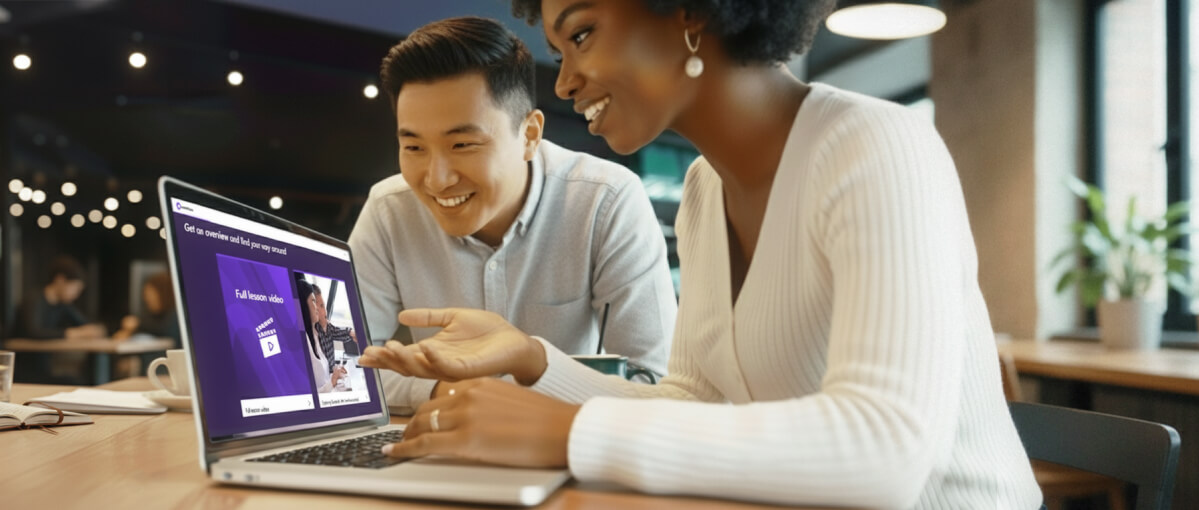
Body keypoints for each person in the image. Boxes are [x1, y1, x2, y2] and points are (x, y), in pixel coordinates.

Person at [358, 1, 1043, 508]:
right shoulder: (703, 189)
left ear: (689, 10)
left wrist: (568, 431)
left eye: (582, 34)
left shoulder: (876, 145)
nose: (563, 83)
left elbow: (886, 449)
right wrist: (530, 357)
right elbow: (695, 399)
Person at [348, 16, 676, 414]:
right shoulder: (389, 209)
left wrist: (499, 397)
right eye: (414, 148)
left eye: (463, 144)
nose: (436, 180)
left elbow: (652, 381)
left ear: (530, 135)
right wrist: (448, 394)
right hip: (443, 436)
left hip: (563, 443)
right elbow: (341, 370)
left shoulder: (605, 201)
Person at [17, 255, 105, 340]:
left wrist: (95, 330)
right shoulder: (33, 299)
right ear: (60, 280)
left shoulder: (62, 304)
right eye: (75, 288)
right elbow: (32, 332)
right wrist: (73, 333)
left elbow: (84, 324)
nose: (76, 294)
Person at [296, 277, 347, 393]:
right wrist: (333, 381)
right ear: (304, 305)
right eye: (313, 301)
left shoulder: (314, 334)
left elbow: (323, 379)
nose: (317, 309)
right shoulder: (301, 342)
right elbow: (309, 395)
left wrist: (335, 373)